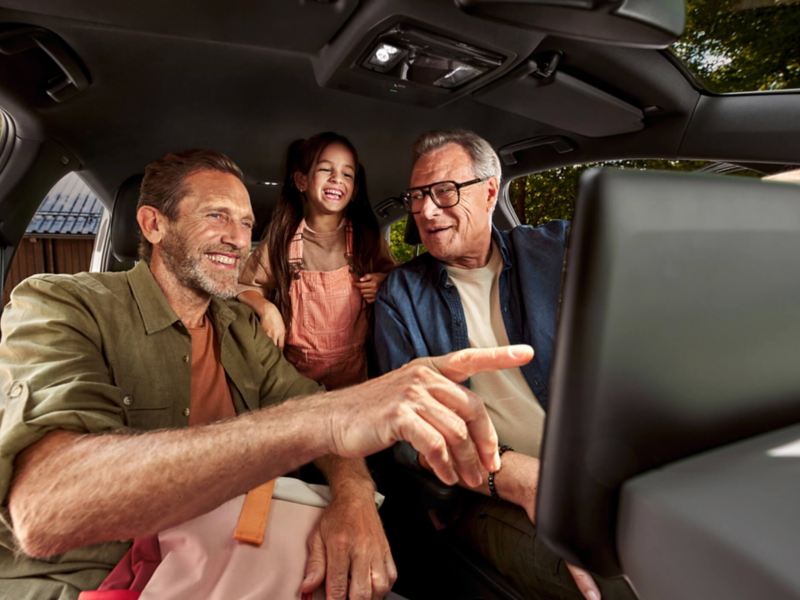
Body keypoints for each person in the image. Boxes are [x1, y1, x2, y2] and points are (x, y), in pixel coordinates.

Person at [0, 148, 533, 600]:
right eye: (216, 216)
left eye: (247, 224)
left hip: (229, 555)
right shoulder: (59, 303)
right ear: (153, 224)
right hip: (91, 580)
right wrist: (323, 419)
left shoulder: (238, 326)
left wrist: (352, 498)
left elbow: (311, 407)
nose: (239, 239)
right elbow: (43, 509)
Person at [373, 130, 635, 600]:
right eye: (416, 196)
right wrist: (513, 475)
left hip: (606, 466)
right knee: (617, 581)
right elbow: (404, 434)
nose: (426, 211)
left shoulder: (556, 249)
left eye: (444, 192)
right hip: (488, 491)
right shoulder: (401, 296)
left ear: (491, 190)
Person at [238, 132, 394, 390]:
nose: (337, 179)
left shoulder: (366, 240)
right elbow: (244, 287)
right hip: (295, 380)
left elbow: (399, 282)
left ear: (354, 190)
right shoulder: (281, 241)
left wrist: (383, 282)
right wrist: (267, 309)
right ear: (301, 181)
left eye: (347, 174)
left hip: (355, 380)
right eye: (325, 169)